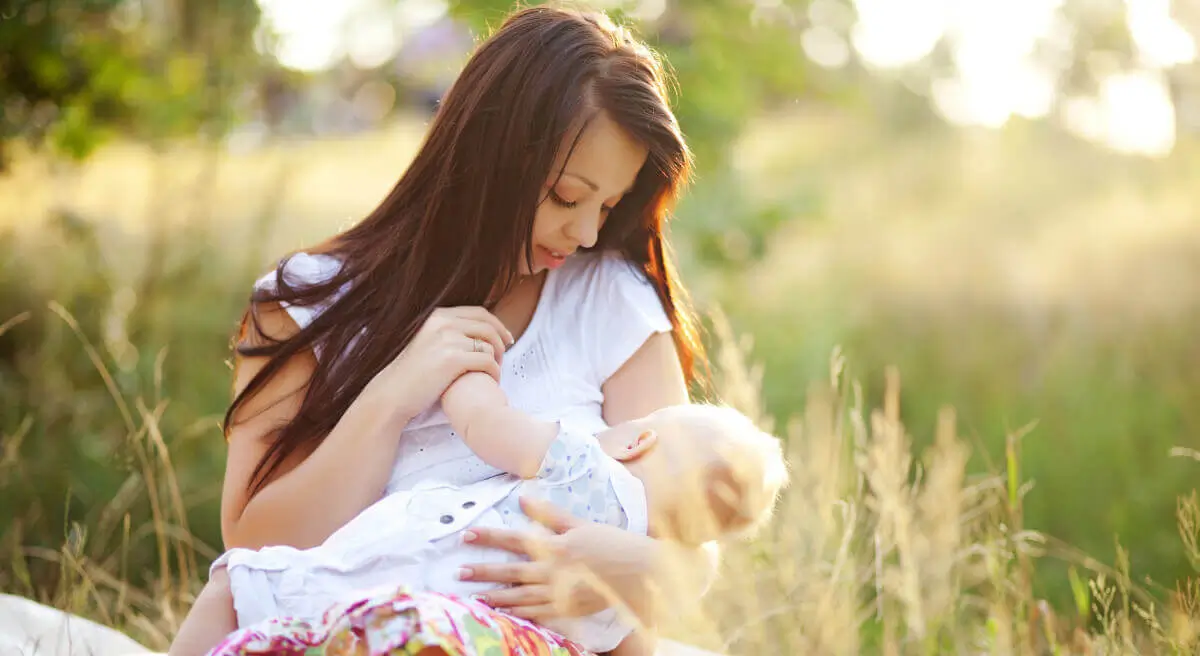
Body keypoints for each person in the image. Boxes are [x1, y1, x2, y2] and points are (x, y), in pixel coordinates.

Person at [186, 6, 724, 655]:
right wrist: (392, 398)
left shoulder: (608, 302)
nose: (584, 233)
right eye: (565, 196)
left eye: (607, 206)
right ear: (488, 157)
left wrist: (632, 569)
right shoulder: (307, 303)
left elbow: (694, 537)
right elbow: (255, 547)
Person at [170, 389, 789, 655]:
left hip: (388, 593)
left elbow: (486, 424)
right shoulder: (627, 598)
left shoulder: (584, 468)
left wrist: (466, 373)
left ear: (636, 440)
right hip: (473, 636)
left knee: (236, 580)